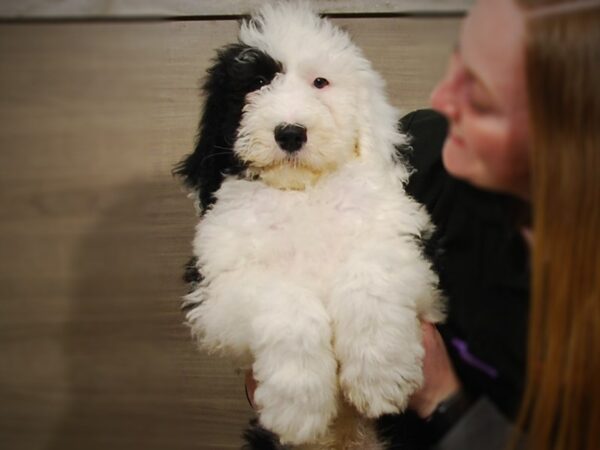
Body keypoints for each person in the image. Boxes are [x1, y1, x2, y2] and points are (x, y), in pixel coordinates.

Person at [247, 0, 600, 448]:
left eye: (482, 96)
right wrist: (276, 368)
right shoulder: (422, 155)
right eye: (458, 64)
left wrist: (443, 398)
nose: (441, 98)